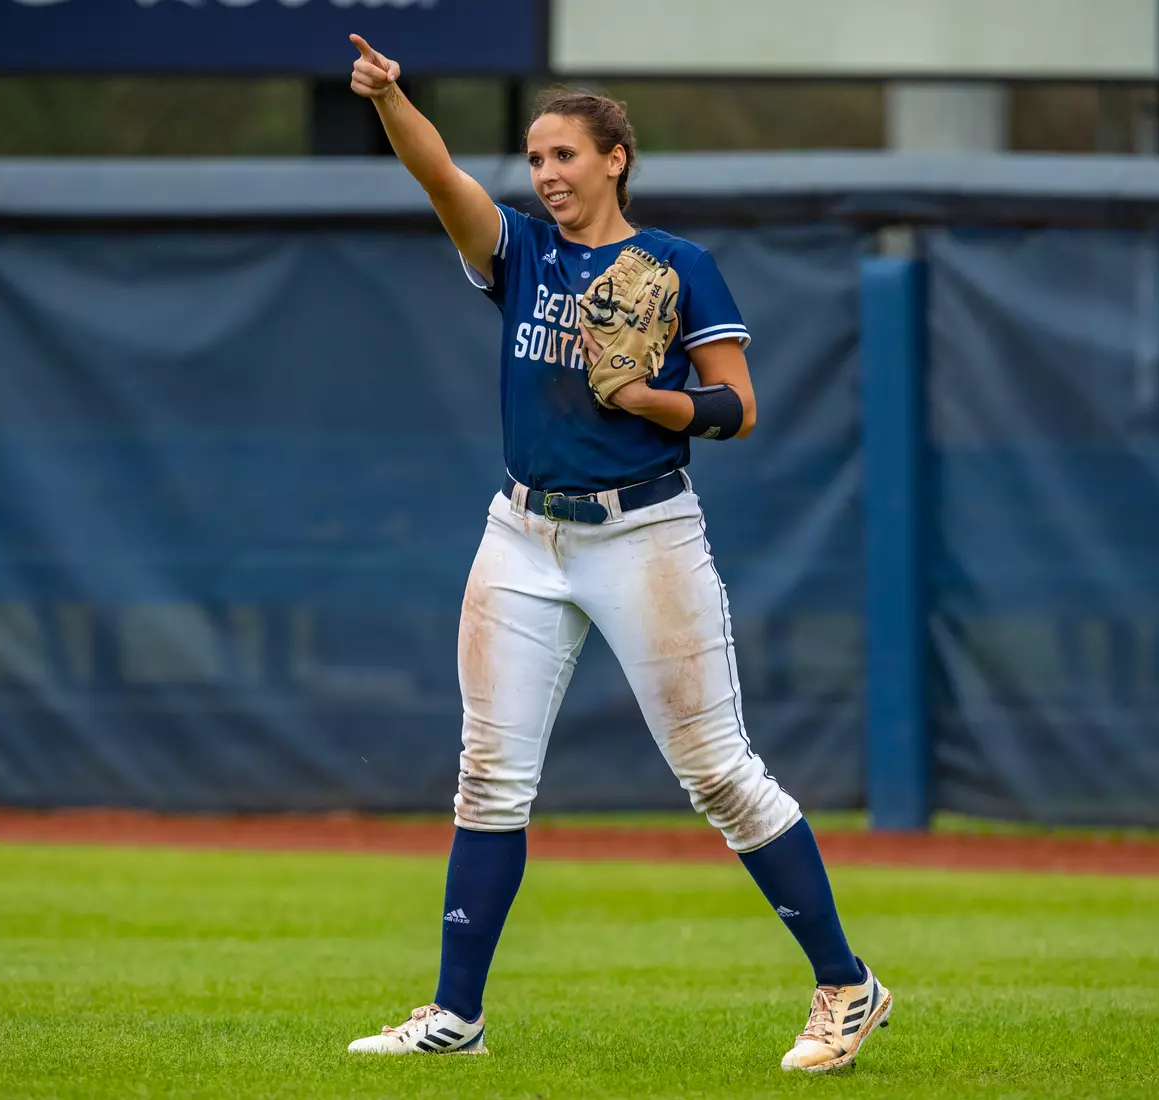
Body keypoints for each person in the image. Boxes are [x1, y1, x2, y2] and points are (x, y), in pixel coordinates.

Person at [341, 34, 892, 1074]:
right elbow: (437, 172)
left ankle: (847, 985)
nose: (546, 173)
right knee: (489, 777)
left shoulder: (679, 265)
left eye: (565, 155)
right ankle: (457, 1014)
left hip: (644, 530)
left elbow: (737, 406)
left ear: (614, 160)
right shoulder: (519, 253)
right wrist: (390, 100)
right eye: (536, 157)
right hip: (522, 531)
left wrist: (646, 398)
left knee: (719, 772)